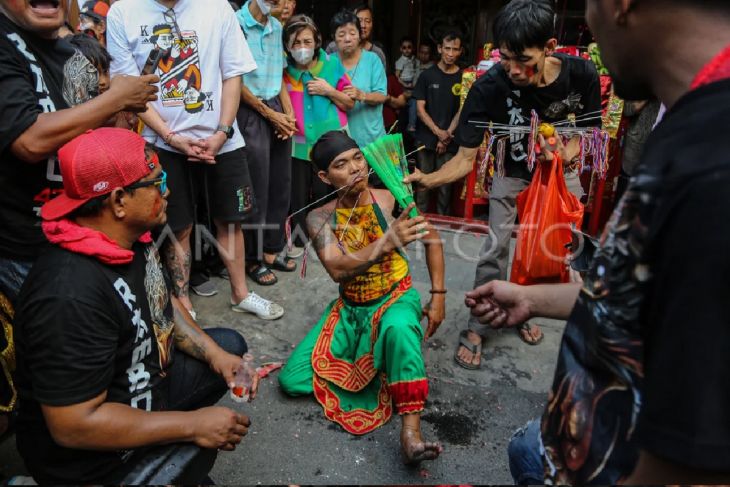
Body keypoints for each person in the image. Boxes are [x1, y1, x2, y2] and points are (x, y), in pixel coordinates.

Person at [468, 0, 730, 484]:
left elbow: (701, 446)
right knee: (526, 449)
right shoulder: (688, 123)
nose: (588, 20)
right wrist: (532, 298)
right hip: (584, 438)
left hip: (619, 465)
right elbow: (643, 294)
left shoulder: (709, 157)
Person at [14, 128, 254, 484]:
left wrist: (215, 354)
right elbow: (74, 426)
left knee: (229, 346)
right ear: (119, 201)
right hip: (91, 460)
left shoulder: (130, 236)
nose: (168, 190)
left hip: (142, 386)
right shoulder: (68, 295)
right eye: (158, 182)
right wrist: (191, 426)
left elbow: (160, 301)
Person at [405, 0, 601, 368]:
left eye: (522, 59)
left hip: (559, 172)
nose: (512, 69)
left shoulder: (582, 73)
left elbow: (588, 134)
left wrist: (561, 153)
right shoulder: (488, 87)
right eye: (505, 57)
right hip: (511, 172)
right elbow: (464, 159)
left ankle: (525, 310)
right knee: (495, 248)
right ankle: (479, 322)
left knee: (547, 249)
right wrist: (426, 179)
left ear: (549, 48)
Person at [0, 0, 156, 436]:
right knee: (43, 379)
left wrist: (123, 110)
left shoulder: (70, 52)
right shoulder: (4, 44)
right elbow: (28, 141)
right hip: (22, 243)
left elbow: (89, 136)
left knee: (100, 354)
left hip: (80, 230)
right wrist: (114, 97)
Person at [107, 0, 284, 320]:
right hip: (162, 142)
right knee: (178, 225)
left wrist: (222, 131)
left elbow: (233, 75)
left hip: (223, 140)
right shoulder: (123, 12)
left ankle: (240, 292)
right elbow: (128, 90)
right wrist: (171, 137)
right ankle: (183, 301)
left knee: (230, 219)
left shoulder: (218, 8)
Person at [278, 130, 445, 464]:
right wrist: (388, 240)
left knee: (398, 328)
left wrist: (438, 295)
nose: (355, 168)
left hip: (395, 297)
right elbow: (338, 270)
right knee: (291, 380)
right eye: (342, 164)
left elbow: (433, 240)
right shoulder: (318, 217)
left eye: (358, 157)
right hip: (352, 308)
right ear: (325, 176)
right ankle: (387, 365)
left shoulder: (389, 197)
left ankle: (410, 431)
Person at [237, 0, 298, 287]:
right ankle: (252, 258)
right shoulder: (235, 24)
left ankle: (272, 249)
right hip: (251, 110)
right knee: (256, 189)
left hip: (275, 108)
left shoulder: (276, 27)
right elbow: (233, 82)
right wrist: (270, 115)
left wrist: (289, 116)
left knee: (280, 185)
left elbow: (281, 78)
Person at [282, 14, 354, 252]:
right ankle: (301, 241)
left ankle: (329, 239)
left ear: (316, 42)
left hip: (330, 147)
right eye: (295, 43)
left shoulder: (331, 65)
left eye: (307, 41)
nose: (302, 48)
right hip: (298, 144)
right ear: (287, 46)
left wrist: (328, 90)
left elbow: (349, 103)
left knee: (328, 194)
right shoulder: (284, 73)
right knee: (298, 197)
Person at [412, 30, 463, 215]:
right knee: (423, 184)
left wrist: (447, 134)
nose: (450, 53)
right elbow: (420, 109)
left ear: (460, 51)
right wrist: (438, 133)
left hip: (450, 140)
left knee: (445, 187)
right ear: (440, 49)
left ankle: (443, 225)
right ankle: (419, 223)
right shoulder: (427, 76)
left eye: (455, 49)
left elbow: (462, 110)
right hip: (426, 139)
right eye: (447, 48)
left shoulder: (463, 78)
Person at [331, 9, 387, 150]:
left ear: (359, 35)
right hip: (341, 142)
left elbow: (382, 96)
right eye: (341, 34)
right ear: (334, 37)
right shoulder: (329, 63)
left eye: (352, 33)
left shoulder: (372, 60)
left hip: (372, 140)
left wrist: (362, 95)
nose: (347, 39)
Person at [326, 4, 386, 69]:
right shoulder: (333, 48)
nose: (363, 25)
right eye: (359, 20)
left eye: (367, 21)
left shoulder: (377, 54)